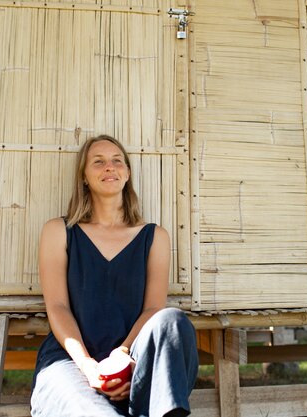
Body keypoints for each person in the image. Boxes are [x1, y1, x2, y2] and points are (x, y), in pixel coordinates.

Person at [30, 134, 199, 417]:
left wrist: (124, 355)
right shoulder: (58, 231)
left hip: (135, 359)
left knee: (172, 320)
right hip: (71, 362)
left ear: (127, 173)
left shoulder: (154, 237)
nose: (109, 167)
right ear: (84, 176)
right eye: (98, 162)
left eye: (117, 161)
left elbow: (152, 309)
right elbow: (57, 307)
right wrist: (88, 366)